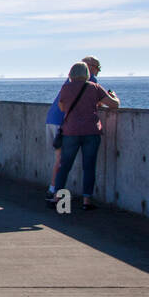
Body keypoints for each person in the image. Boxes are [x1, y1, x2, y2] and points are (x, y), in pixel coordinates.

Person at [52, 61, 120, 211]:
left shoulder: (65, 88)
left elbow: (63, 107)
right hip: (91, 131)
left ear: (71, 74)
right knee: (89, 167)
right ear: (87, 74)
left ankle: (58, 198)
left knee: (65, 166)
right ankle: (86, 201)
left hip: (71, 131)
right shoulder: (93, 87)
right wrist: (114, 96)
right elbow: (114, 104)